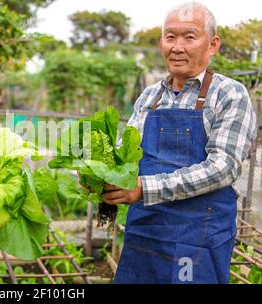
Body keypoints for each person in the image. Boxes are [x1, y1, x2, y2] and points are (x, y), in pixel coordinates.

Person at [101, 2, 257, 283]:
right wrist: (98, 172)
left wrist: (143, 188)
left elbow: (223, 167)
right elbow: (127, 155)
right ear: (161, 42)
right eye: (170, 37)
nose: (177, 46)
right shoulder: (150, 96)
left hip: (199, 234)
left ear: (212, 44)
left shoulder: (229, 94)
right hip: (146, 230)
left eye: (190, 37)